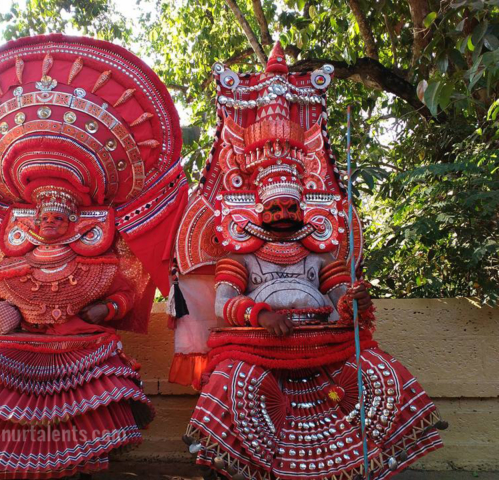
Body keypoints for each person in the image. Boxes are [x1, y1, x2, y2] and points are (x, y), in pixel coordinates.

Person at [171, 42, 446, 480]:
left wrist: (351, 301)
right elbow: (224, 302)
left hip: (323, 344)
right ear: (256, 210)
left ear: (306, 209)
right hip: (257, 346)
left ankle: (360, 462)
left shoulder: (320, 252)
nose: (284, 216)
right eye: (274, 209)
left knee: (375, 370)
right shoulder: (239, 254)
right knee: (230, 383)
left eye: (292, 209)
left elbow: (338, 295)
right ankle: (238, 465)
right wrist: (261, 313)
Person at [0, 34, 187, 480]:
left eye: (60, 215)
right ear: (28, 219)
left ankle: (78, 458)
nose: (49, 220)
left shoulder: (97, 265)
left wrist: (103, 307)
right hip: (22, 344)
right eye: (42, 214)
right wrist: (4, 311)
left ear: (78, 221)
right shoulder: (14, 262)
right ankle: (14, 459)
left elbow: (121, 297)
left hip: (78, 339)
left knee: (100, 354)